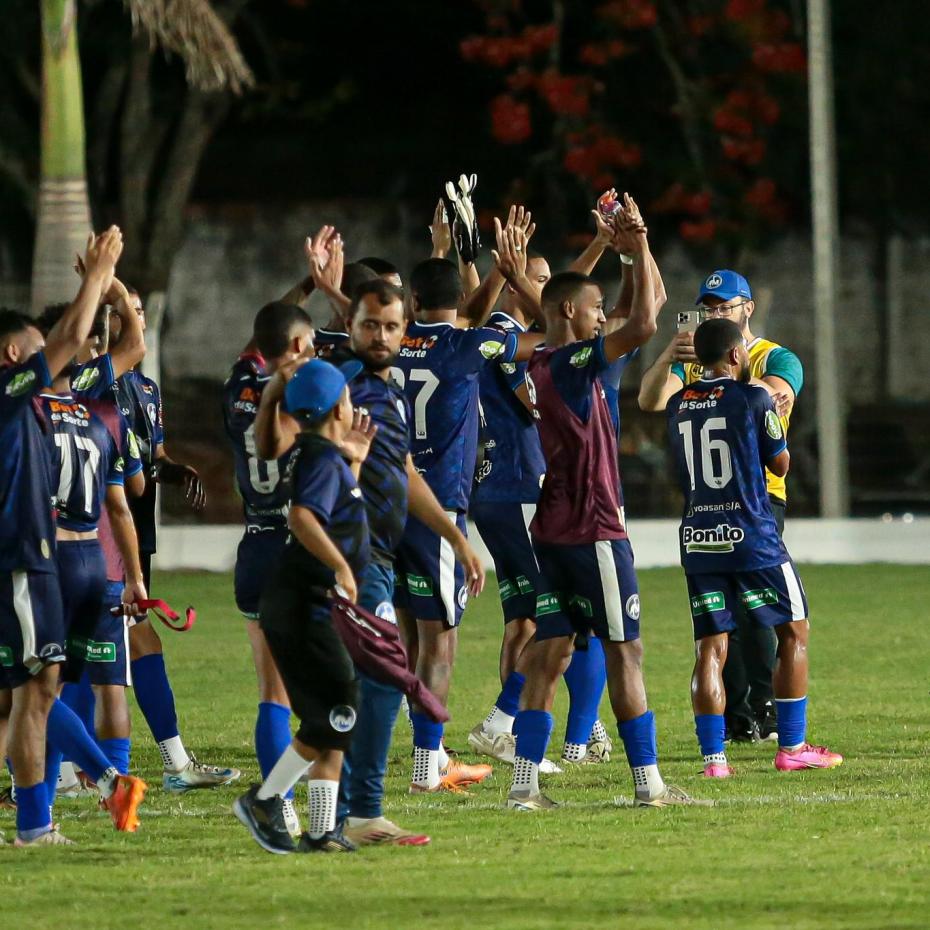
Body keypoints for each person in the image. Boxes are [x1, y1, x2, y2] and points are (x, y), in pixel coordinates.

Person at [254, 279, 486, 843]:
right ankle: (356, 812)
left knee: (360, 689)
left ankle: (329, 819)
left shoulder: (391, 389)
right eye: (367, 325)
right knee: (377, 683)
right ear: (350, 325)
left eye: (389, 326)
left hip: (375, 552)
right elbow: (273, 446)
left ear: (404, 331)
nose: (379, 335)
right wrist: (273, 394)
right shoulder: (339, 381)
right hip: (349, 560)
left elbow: (403, 471)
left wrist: (454, 538)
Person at [507, 197, 705, 811]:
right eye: (593, 310)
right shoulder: (573, 361)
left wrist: (633, 250)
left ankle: (523, 787)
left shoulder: (541, 357)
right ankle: (649, 786)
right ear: (570, 312)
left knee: (551, 651)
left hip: (552, 530)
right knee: (627, 650)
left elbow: (644, 302)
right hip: (595, 530)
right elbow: (645, 324)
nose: (602, 318)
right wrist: (638, 243)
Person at [666, 318, 842, 776]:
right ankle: (792, 747)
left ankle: (714, 761)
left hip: (698, 536)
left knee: (710, 646)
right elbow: (779, 464)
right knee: (794, 630)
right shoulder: (753, 397)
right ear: (735, 355)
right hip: (751, 534)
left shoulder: (678, 404)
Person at [392, 258, 539, 794]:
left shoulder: (394, 340)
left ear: (410, 302)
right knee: (440, 641)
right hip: (439, 510)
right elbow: (540, 340)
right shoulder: (469, 346)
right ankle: (428, 762)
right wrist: (508, 274)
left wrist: (475, 264)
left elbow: (456, 318)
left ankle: (419, 744)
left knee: (407, 632)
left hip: (389, 506)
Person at [638, 269, 803, 742]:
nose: (714, 313)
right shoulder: (697, 361)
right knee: (727, 617)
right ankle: (740, 719)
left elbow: (778, 395)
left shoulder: (773, 357)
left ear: (747, 308)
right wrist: (672, 352)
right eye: (709, 307)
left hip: (759, 497)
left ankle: (761, 705)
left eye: (723, 307)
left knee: (748, 615)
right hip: (720, 502)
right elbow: (651, 398)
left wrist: (728, 378)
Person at [0, 227, 120, 846]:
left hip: (33, 560)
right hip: (21, 561)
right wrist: (96, 277)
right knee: (35, 689)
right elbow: (73, 339)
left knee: (23, 695)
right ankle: (34, 825)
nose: (46, 357)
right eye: (32, 350)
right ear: (11, 359)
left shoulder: (21, 402)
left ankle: (34, 819)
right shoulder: (7, 391)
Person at [233, 358, 375, 855]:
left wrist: (355, 459)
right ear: (340, 405)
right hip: (304, 604)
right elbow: (301, 517)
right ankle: (265, 799)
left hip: (308, 604)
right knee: (339, 712)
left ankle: (321, 830)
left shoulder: (325, 453)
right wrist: (341, 566)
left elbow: (332, 513)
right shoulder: (317, 456)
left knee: (334, 714)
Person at [108, 295, 240, 791]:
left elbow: (152, 457)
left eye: (141, 310)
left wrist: (175, 468)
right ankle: (150, 768)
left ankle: (91, 772)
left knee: (122, 646)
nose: (140, 318)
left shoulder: (146, 389)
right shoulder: (97, 384)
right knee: (118, 648)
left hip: (136, 534)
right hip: (105, 536)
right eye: (130, 310)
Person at [37, 350, 149, 831]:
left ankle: (104, 780)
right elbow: (122, 508)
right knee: (43, 694)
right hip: (96, 567)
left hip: (50, 565)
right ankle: (38, 813)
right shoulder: (100, 421)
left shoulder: (28, 416)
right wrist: (136, 577)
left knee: (33, 695)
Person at [222, 301, 315, 836]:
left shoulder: (238, 386)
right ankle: (307, 802)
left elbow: (263, 337)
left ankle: (281, 805)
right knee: (328, 693)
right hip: (297, 546)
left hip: (256, 544)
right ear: (299, 347)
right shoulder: (306, 396)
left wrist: (303, 289)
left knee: (272, 692)